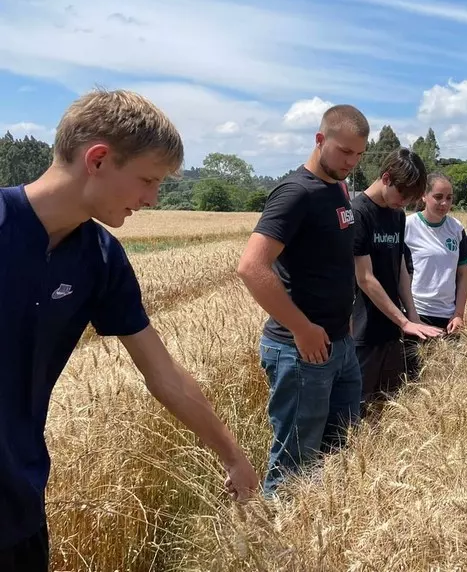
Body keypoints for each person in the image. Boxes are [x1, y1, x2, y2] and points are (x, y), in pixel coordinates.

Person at [1, 90, 258, 571]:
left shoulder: (99, 259)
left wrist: (231, 455)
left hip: (19, 506)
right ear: (97, 159)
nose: (152, 198)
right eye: (147, 179)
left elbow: (164, 375)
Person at [237, 104, 369, 496]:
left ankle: (322, 532)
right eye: (344, 151)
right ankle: (274, 544)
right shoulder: (295, 193)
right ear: (319, 139)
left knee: (340, 451)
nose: (351, 162)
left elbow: (333, 262)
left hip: (339, 344)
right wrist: (301, 328)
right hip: (300, 352)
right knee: (295, 462)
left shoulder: (338, 190)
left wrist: (341, 318)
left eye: (359, 154)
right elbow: (251, 267)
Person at [352, 148, 442, 410]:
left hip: (392, 329)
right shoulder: (358, 214)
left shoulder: (397, 216)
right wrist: (403, 320)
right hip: (363, 331)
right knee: (360, 407)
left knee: (390, 403)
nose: (403, 203)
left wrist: (412, 317)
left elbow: (401, 267)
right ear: (387, 178)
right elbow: (364, 278)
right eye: (402, 195)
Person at [404, 173, 467, 337]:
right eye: (438, 197)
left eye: (449, 198)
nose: (444, 203)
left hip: (448, 318)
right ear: (423, 196)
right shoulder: (408, 226)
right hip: (417, 314)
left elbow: (463, 274)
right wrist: (410, 316)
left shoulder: (456, 229)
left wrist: (458, 314)